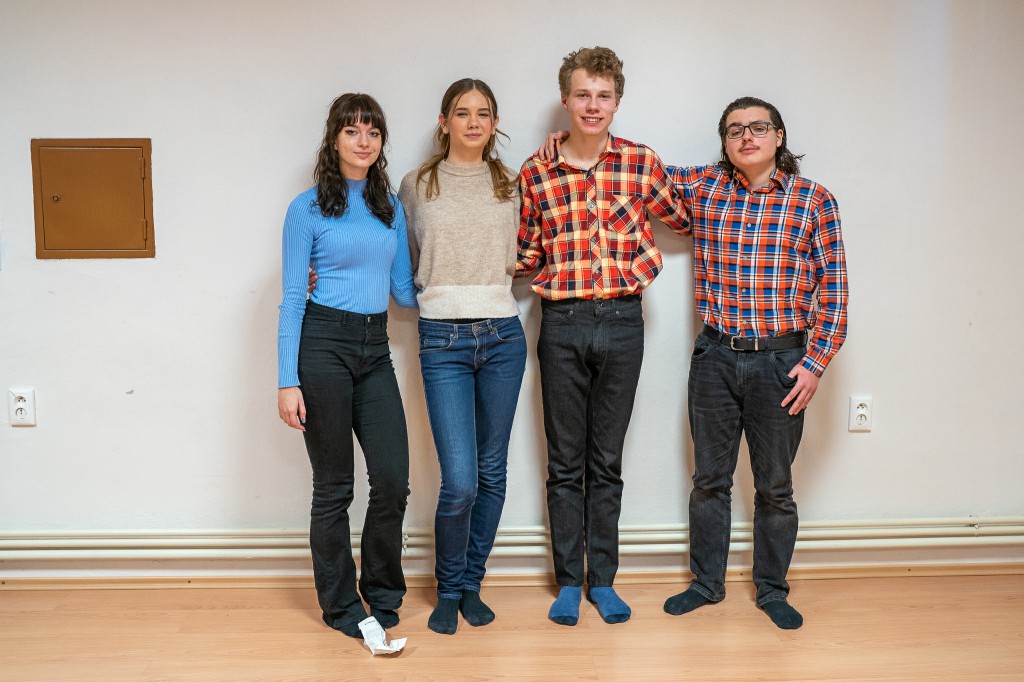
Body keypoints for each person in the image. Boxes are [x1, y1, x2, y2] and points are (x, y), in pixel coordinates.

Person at [517, 46, 690, 627]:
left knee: (606, 461)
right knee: (565, 462)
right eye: (583, 95)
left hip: (622, 322)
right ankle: (569, 581)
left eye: (604, 96)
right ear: (566, 99)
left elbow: (686, 216)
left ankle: (604, 581)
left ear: (617, 102)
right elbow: (524, 251)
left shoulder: (641, 163)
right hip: (561, 324)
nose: (593, 105)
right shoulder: (537, 172)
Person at [660, 97, 848, 629]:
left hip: (782, 362)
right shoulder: (706, 187)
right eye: (734, 130)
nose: (747, 136)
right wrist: (576, 142)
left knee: (775, 487)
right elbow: (643, 172)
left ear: (779, 136)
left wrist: (815, 363)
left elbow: (834, 290)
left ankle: (771, 589)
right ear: (724, 142)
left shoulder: (814, 200)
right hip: (715, 357)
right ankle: (706, 583)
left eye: (758, 127)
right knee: (709, 481)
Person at [277, 93, 417, 641]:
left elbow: (404, 291)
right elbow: (294, 296)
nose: (364, 141)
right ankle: (341, 606)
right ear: (333, 138)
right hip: (323, 346)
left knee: (393, 479)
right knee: (335, 486)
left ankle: (381, 593)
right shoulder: (306, 209)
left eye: (373, 132)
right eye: (352, 131)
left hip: (374, 347)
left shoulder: (390, 208)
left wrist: (467, 283)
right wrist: (287, 380)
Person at [398, 79, 526, 635]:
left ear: (495, 123)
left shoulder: (513, 184)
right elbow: (402, 259)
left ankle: (471, 583)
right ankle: (447, 589)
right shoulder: (416, 184)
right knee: (460, 481)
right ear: (444, 120)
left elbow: (529, 251)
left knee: (492, 472)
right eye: (462, 112)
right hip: (441, 340)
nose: (473, 122)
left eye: (484, 113)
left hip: (503, 336)